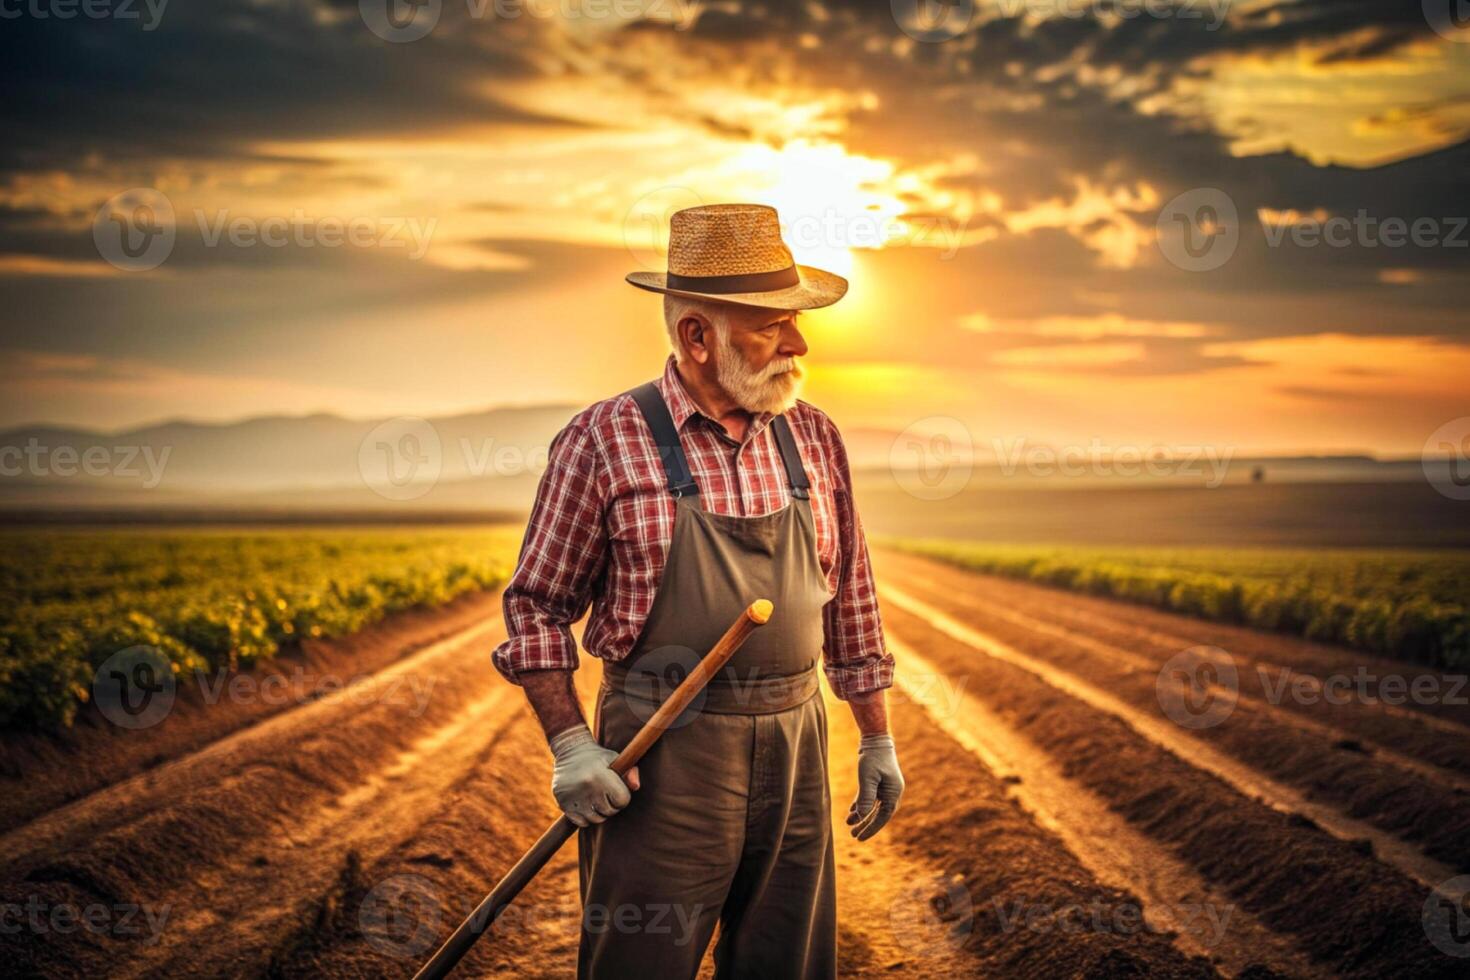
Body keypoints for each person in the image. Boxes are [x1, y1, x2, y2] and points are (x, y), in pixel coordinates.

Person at [491, 203, 903, 979]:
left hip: (796, 743)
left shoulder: (813, 436)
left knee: (788, 961)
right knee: (640, 962)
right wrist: (572, 746)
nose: (798, 342)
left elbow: (849, 598)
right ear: (696, 337)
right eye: (772, 324)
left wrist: (876, 736)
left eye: (796, 321)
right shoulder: (604, 439)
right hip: (662, 756)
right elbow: (536, 607)